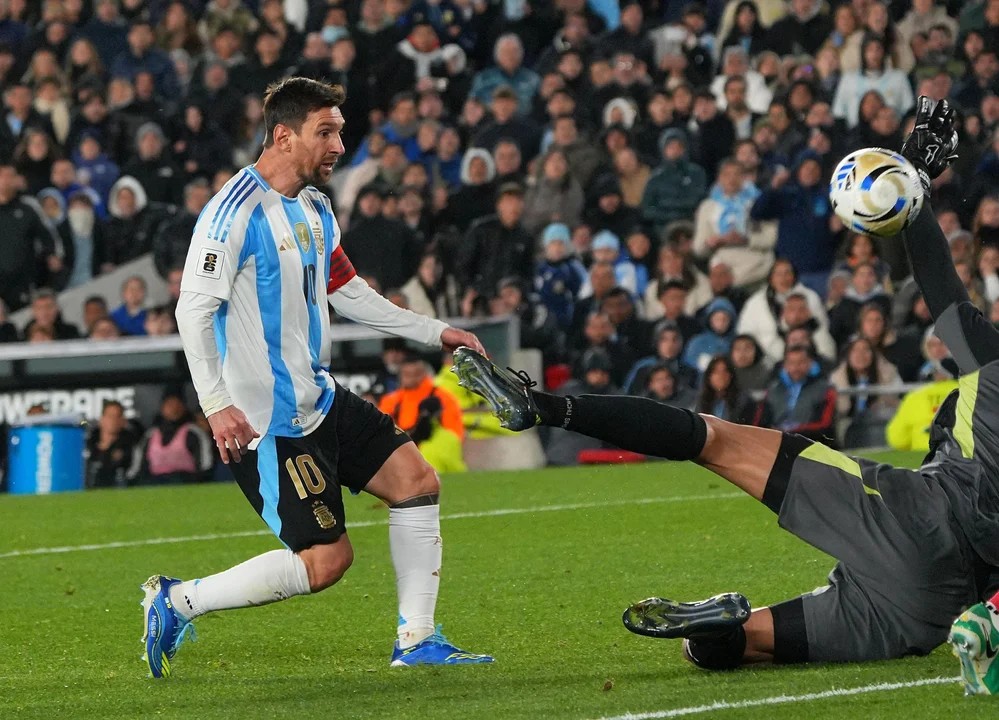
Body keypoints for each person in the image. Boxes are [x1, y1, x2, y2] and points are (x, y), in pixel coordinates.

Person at [452, 98, 999, 693]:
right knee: (739, 647)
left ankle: (545, 407)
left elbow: (941, 287)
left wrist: (915, 189)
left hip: (912, 517)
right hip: (928, 609)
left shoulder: (993, 370)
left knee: (708, 438)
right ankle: (715, 632)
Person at [143, 77, 491, 680]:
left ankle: (417, 638)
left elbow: (346, 290)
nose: (338, 147)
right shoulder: (232, 212)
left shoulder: (315, 206)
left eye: (339, 133)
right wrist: (217, 405)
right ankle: (175, 602)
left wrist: (436, 332)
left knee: (416, 480)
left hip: (319, 398)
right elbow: (191, 311)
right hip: (268, 424)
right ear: (283, 136)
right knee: (327, 560)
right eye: (325, 133)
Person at [86, 400, 141, 488]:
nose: (113, 420)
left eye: (117, 416)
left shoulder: (130, 445)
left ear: (123, 421)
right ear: (102, 419)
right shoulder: (87, 444)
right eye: (110, 416)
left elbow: (134, 473)